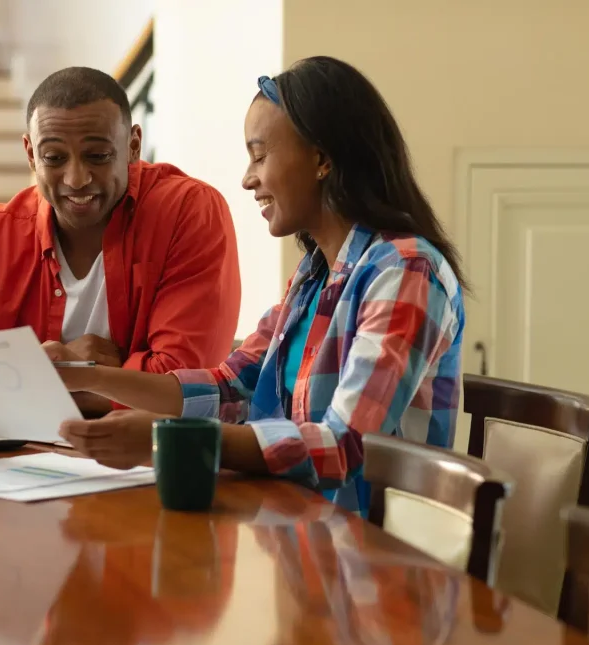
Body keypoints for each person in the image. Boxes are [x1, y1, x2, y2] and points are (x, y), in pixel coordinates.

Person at [45, 56, 467, 517]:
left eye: (260, 155)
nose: (248, 179)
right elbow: (229, 389)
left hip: (372, 548)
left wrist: (165, 438)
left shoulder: (405, 271)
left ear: (322, 159)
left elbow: (344, 446)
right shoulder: (313, 277)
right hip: (301, 531)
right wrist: (85, 375)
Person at [0, 66, 242, 415]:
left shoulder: (188, 212)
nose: (76, 178)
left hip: (144, 456)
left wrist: (9, 384)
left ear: (133, 146)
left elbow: (185, 388)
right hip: (21, 457)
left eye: (98, 156)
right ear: (31, 154)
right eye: (54, 158)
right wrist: (43, 368)